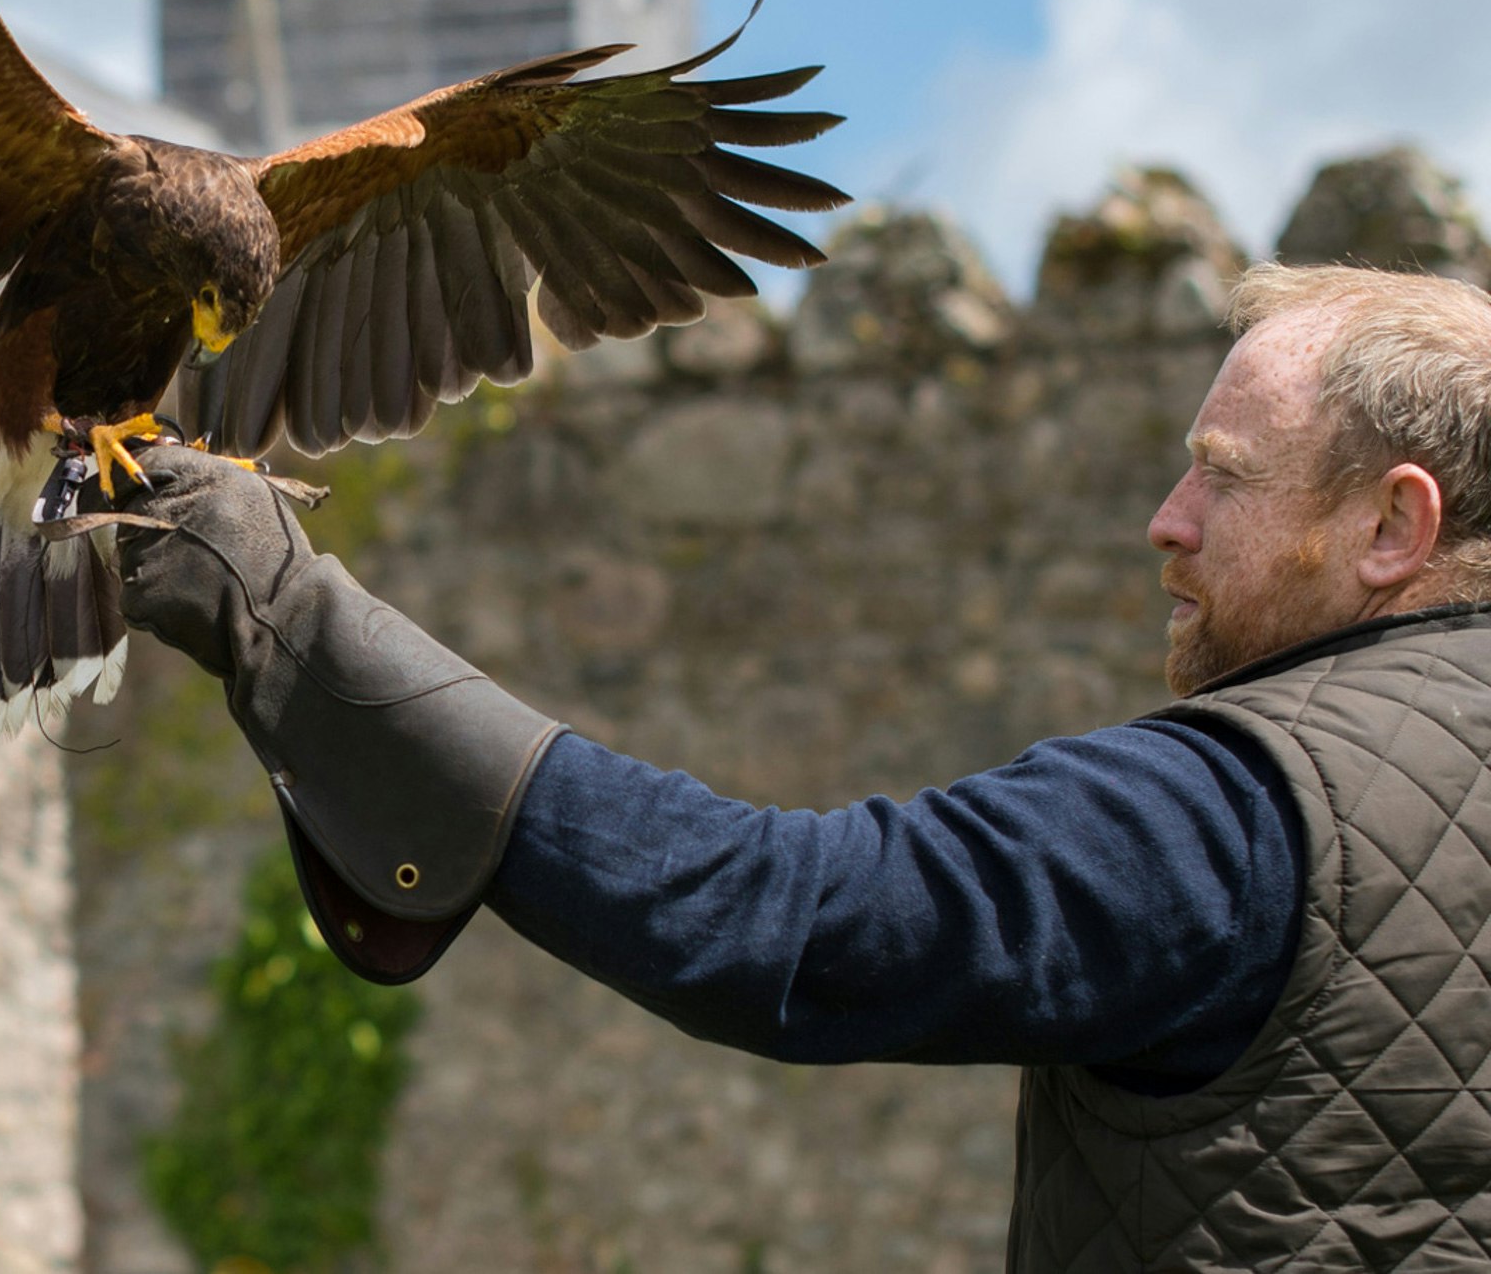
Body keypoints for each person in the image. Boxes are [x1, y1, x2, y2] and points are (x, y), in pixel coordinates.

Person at [115, 261, 1491, 1268]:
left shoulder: (1230, 811)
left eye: (1224, 475)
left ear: (1392, 521)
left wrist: (286, 616)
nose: (1164, 520)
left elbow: (789, 916)